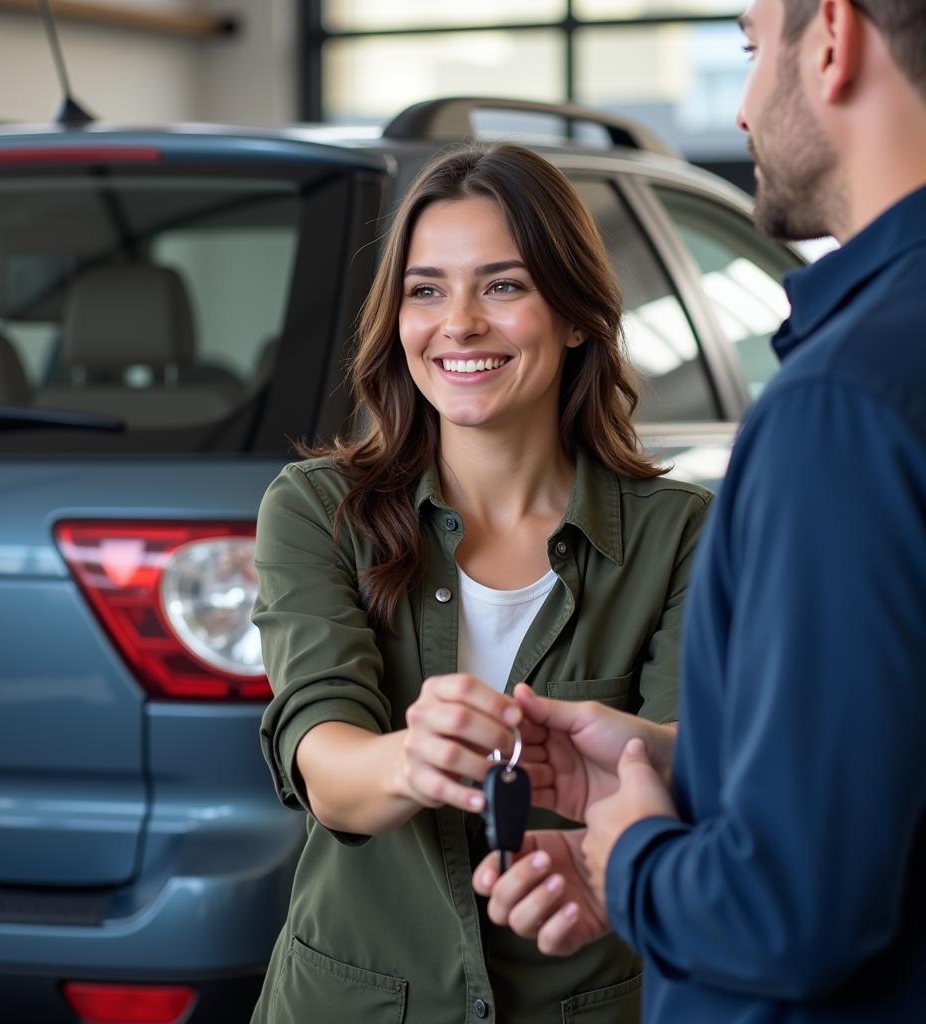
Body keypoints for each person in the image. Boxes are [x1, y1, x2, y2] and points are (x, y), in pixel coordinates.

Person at [473, 1, 926, 1021]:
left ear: (830, 39)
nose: (741, 110)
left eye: (749, 47)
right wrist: (681, 772)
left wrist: (634, 857)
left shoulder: (840, 405)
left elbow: (786, 914)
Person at [249, 142, 710, 1023]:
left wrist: (635, 753)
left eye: (502, 285)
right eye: (426, 289)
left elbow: (697, 758)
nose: (457, 323)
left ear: (575, 316)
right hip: (352, 1002)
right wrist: (411, 759)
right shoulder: (315, 511)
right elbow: (324, 761)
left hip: (590, 1000)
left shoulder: (684, 531)